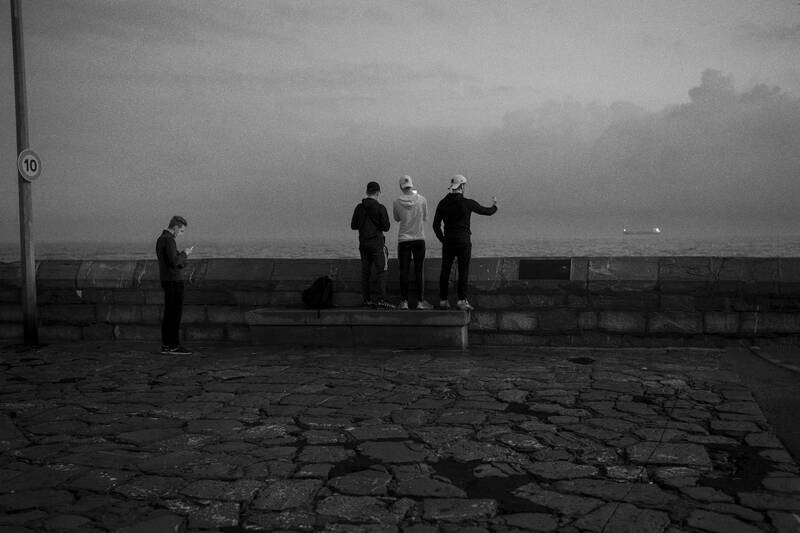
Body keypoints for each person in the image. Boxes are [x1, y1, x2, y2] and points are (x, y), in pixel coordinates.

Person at [433, 174, 498, 311]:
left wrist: (443, 239)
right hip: (463, 241)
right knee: (463, 270)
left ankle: (443, 300)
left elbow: (435, 225)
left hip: (448, 241)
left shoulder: (443, 203)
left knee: (445, 270)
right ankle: (462, 301)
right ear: (462, 186)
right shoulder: (467, 203)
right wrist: (495, 206)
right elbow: (486, 211)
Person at [351, 181, 394, 309]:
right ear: (378, 192)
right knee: (382, 271)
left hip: (363, 244)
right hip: (376, 243)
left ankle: (367, 299)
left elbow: (353, 225)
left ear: (367, 192)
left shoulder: (359, 207)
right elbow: (386, 227)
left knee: (366, 272)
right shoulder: (380, 208)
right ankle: (381, 299)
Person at [393, 175, 433, 310]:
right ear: (412, 185)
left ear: (401, 187)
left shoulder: (396, 202)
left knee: (403, 271)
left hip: (404, 239)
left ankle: (404, 302)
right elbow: (426, 217)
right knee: (419, 270)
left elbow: (396, 218)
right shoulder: (422, 200)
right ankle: (420, 302)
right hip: (419, 239)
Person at [156, 215, 194, 355]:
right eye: (182, 231)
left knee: (169, 314)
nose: (181, 234)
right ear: (176, 227)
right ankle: (173, 345)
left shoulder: (161, 240)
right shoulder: (169, 240)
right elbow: (175, 262)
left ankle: (166, 345)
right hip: (174, 281)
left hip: (166, 280)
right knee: (174, 314)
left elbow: (175, 261)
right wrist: (185, 254)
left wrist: (182, 258)